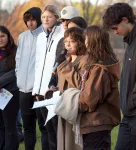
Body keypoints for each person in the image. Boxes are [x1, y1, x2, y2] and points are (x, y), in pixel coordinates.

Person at [103, 3, 136, 150]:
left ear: (125, 20)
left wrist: (130, 103)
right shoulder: (130, 41)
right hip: (129, 114)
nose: (115, 33)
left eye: (115, 28)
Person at [15, 7, 49, 150]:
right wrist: (19, 77)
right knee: (28, 128)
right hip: (23, 90)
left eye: (33, 19)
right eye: (27, 20)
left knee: (44, 127)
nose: (30, 23)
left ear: (38, 19)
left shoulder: (47, 35)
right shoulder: (22, 37)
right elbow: (18, 60)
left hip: (39, 91)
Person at [32, 4, 64, 150]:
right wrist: (36, 91)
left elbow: (57, 64)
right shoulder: (39, 37)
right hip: (39, 91)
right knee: (45, 128)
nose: (46, 19)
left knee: (55, 130)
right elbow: (38, 64)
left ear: (56, 18)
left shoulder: (62, 35)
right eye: (43, 17)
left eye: (49, 17)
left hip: (51, 90)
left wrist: (49, 89)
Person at [56, 27, 87, 150]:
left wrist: (64, 65)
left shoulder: (85, 59)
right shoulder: (67, 59)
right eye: (65, 41)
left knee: (72, 144)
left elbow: (80, 84)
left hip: (74, 109)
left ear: (80, 41)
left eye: (71, 41)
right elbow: (63, 84)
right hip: (63, 107)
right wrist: (54, 89)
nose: (67, 44)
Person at [0, 26, 19, 150]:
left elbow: (15, 72)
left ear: (8, 36)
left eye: (2, 36)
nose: (0, 39)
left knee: (9, 126)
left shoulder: (16, 51)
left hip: (10, 93)